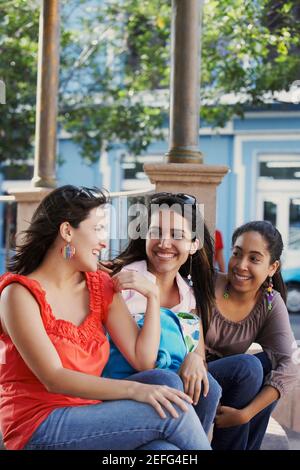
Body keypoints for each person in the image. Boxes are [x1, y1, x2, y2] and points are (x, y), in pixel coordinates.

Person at [0, 185, 211, 451]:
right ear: (67, 231)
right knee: (173, 413)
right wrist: (136, 391)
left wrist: (153, 297)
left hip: (90, 414)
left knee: (163, 451)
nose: (104, 241)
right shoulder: (18, 295)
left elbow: (143, 359)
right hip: (39, 424)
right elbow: (53, 377)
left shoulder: (100, 286)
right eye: (98, 229)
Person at [102, 192, 222, 435]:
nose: (164, 243)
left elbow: (197, 354)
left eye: (177, 235)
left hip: (166, 390)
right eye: (156, 232)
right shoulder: (122, 282)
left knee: (212, 389)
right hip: (123, 387)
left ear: (193, 245)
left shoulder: (189, 296)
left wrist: (194, 359)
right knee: (169, 381)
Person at [205, 220, 298, 450]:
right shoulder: (208, 283)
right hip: (192, 372)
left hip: (229, 381)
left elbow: (289, 365)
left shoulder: (268, 303)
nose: (241, 265)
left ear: (272, 268)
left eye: (254, 259)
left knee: (267, 365)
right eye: (237, 254)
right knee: (249, 368)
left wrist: (245, 414)